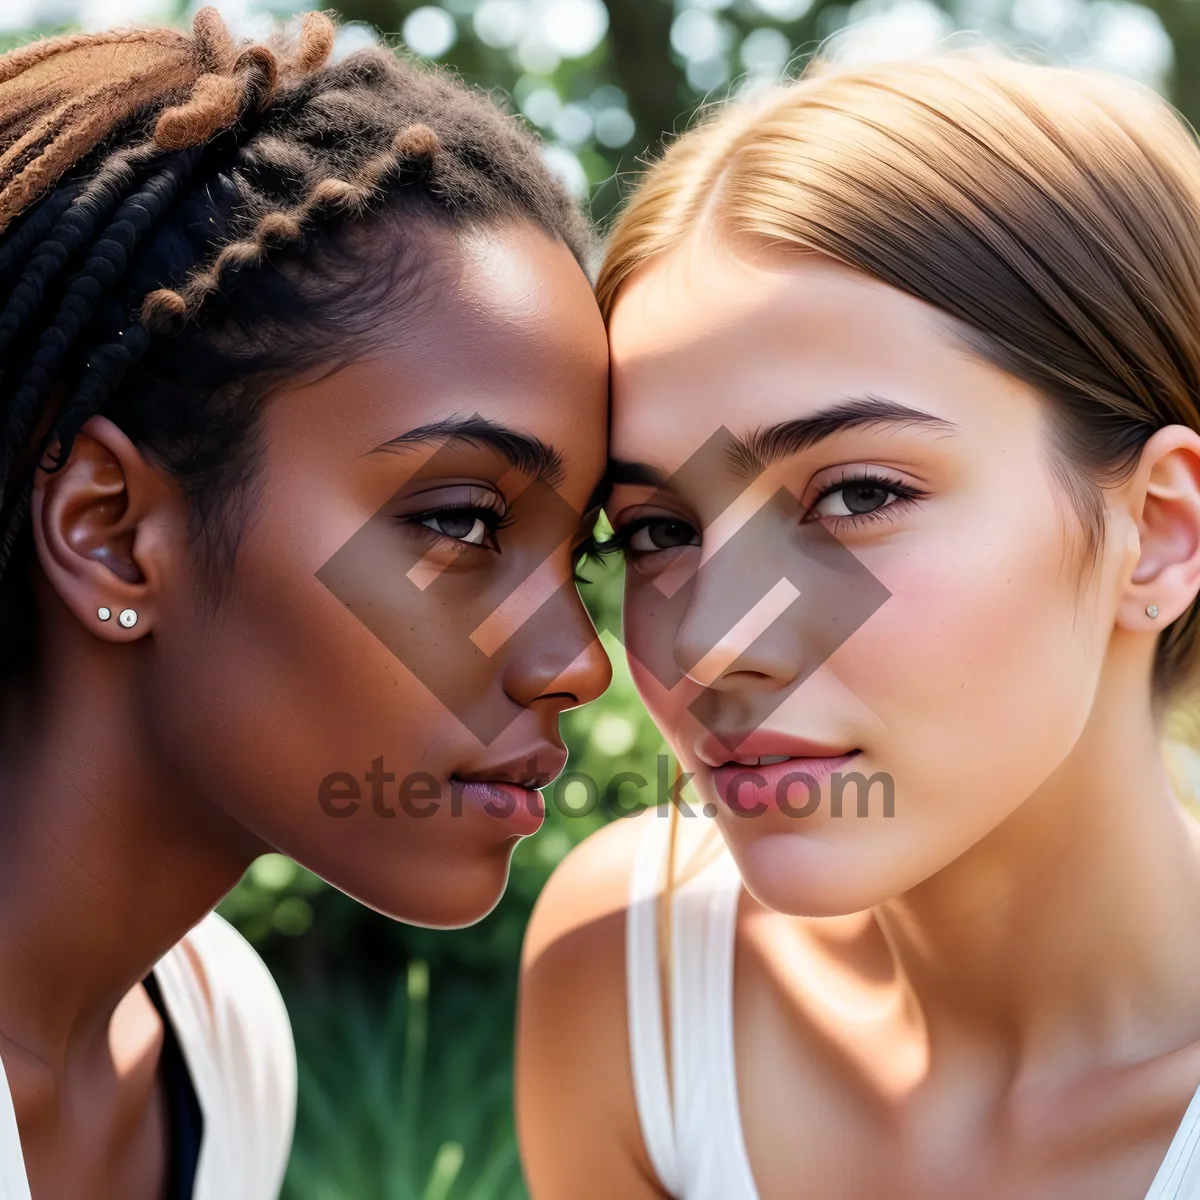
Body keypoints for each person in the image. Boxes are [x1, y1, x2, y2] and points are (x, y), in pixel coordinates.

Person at [517, 50, 1200, 1199]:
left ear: (1163, 530)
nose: (709, 643)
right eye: (653, 530)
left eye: (858, 496)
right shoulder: (635, 969)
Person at [0, 8, 610, 1198]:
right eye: (462, 522)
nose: (579, 662)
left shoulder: (224, 1042)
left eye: (581, 555)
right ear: (111, 532)